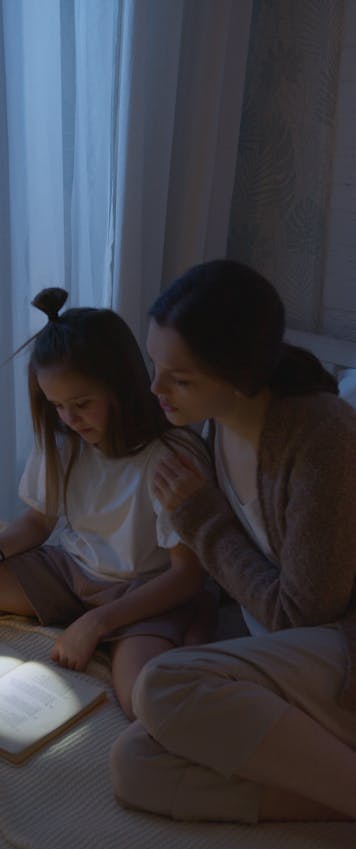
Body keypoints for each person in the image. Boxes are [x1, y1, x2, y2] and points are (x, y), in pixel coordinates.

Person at [110, 258, 356, 819]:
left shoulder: (324, 439)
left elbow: (301, 617)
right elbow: (245, 579)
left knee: (163, 686)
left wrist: (202, 518)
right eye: (155, 365)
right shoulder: (214, 425)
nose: (155, 389)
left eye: (180, 378)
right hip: (290, 660)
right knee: (135, 762)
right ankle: (332, 793)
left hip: (340, 650)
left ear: (241, 376)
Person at [0, 288, 215, 719]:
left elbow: (186, 576)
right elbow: (38, 523)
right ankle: (96, 618)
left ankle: (192, 624)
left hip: (145, 590)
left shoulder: (168, 457)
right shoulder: (63, 441)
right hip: (71, 572)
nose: (70, 419)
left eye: (82, 404)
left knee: (146, 701)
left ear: (121, 386)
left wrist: (96, 622)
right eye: (57, 406)